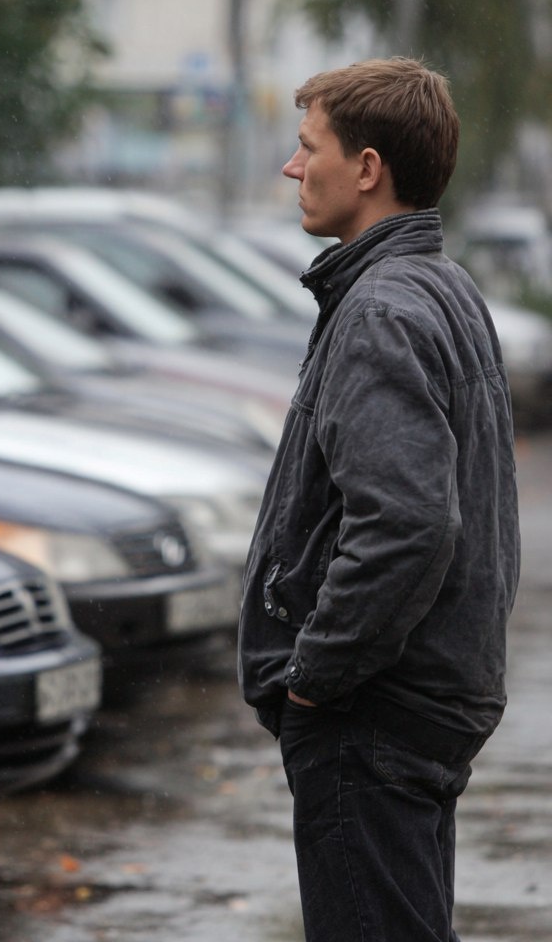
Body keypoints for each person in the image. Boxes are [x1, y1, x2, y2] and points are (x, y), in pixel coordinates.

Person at [238, 56, 520, 942]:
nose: (293, 167)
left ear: (366, 168)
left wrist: (314, 681)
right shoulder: (438, 286)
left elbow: (408, 525)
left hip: (372, 713)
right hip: (414, 702)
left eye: (308, 146)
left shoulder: (382, 309)